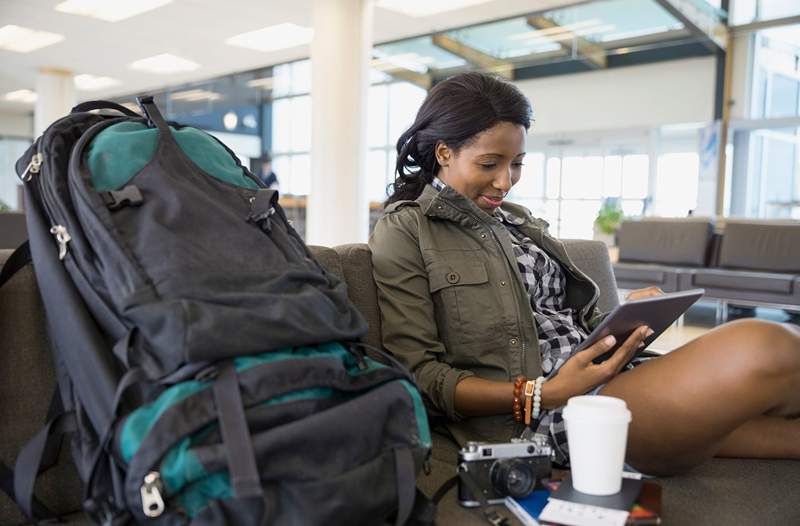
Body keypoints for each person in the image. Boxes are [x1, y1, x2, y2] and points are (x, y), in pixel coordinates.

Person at [368, 72, 800, 476]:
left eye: (517, 163)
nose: (506, 181)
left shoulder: (518, 222)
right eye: (489, 164)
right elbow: (420, 376)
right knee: (766, 346)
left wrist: (623, 322)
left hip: (613, 381)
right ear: (444, 152)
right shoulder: (407, 228)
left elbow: (568, 321)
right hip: (550, 416)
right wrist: (542, 393)